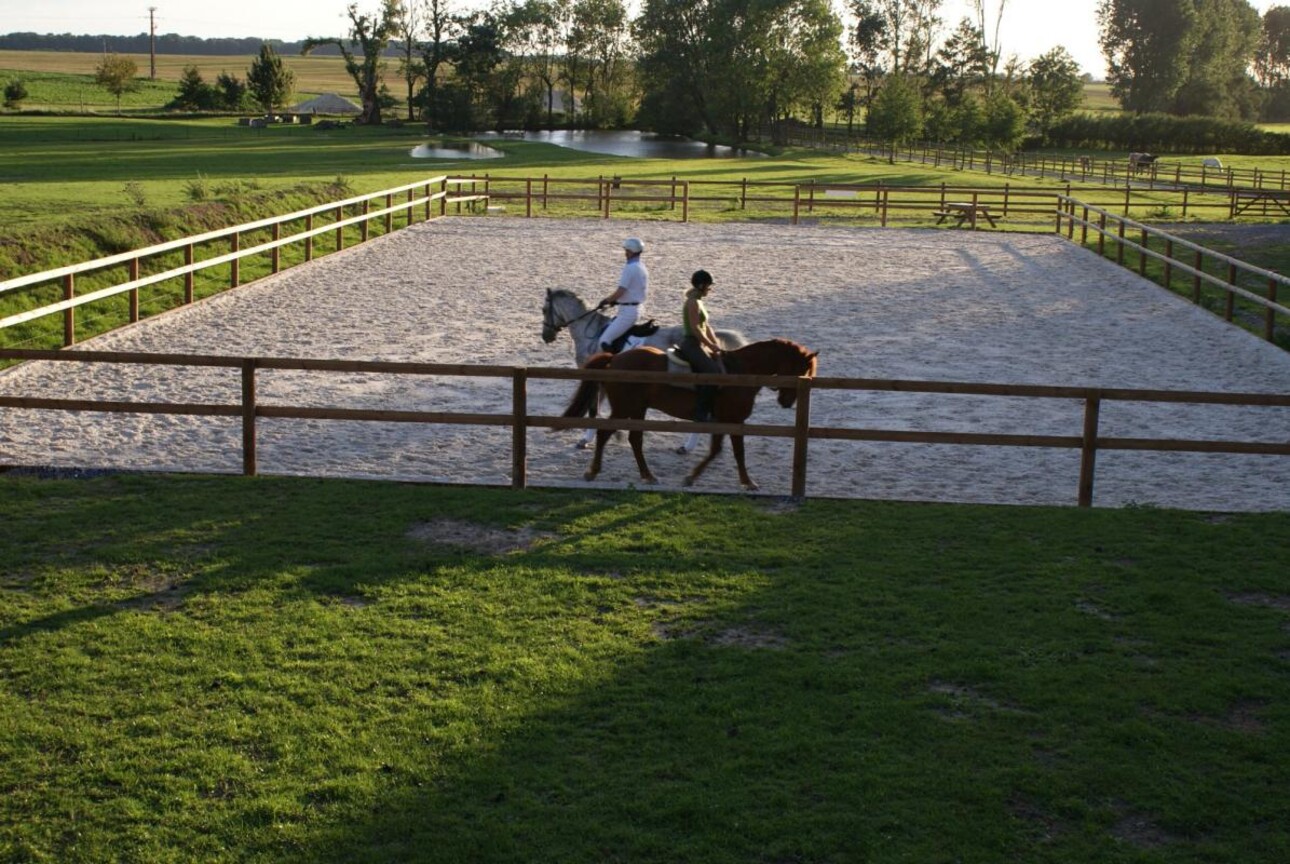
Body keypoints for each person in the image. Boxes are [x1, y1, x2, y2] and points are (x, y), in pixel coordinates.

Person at [676, 269, 724, 422]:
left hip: (699, 344)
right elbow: (696, 328)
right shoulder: (692, 302)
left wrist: (715, 345)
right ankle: (700, 413)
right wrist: (709, 344)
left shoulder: (699, 302)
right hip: (691, 344)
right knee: (713, 373)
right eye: (709, 286)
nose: (710, 289)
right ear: (702, 285)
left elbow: (706, 326)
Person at [596, 237, 649, 353]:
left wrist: (607, 300)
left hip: (628, 312)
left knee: (604, 340)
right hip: (635, 308)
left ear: (631, 251)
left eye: (627, 251)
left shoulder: (630, 268)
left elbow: (621, 290)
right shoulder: (641, 266)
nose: (625, 253)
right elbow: (633, 290)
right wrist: (616, 301)